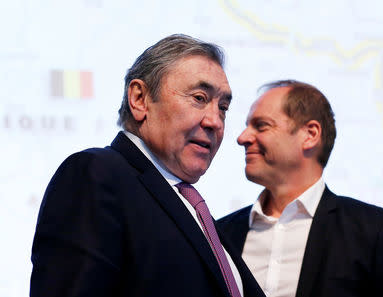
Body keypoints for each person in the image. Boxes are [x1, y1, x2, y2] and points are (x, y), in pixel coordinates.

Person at [30, 34, 265, 297]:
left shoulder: (190, 206)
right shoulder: (96, 175)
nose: (215, 122)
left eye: (222, 108)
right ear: (140, 98)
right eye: (199, 98)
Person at [217, 80, 383, 297]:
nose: (242, 138)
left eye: (261, 126)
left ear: (310, 134)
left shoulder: (375, 232)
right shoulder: (221, 235)